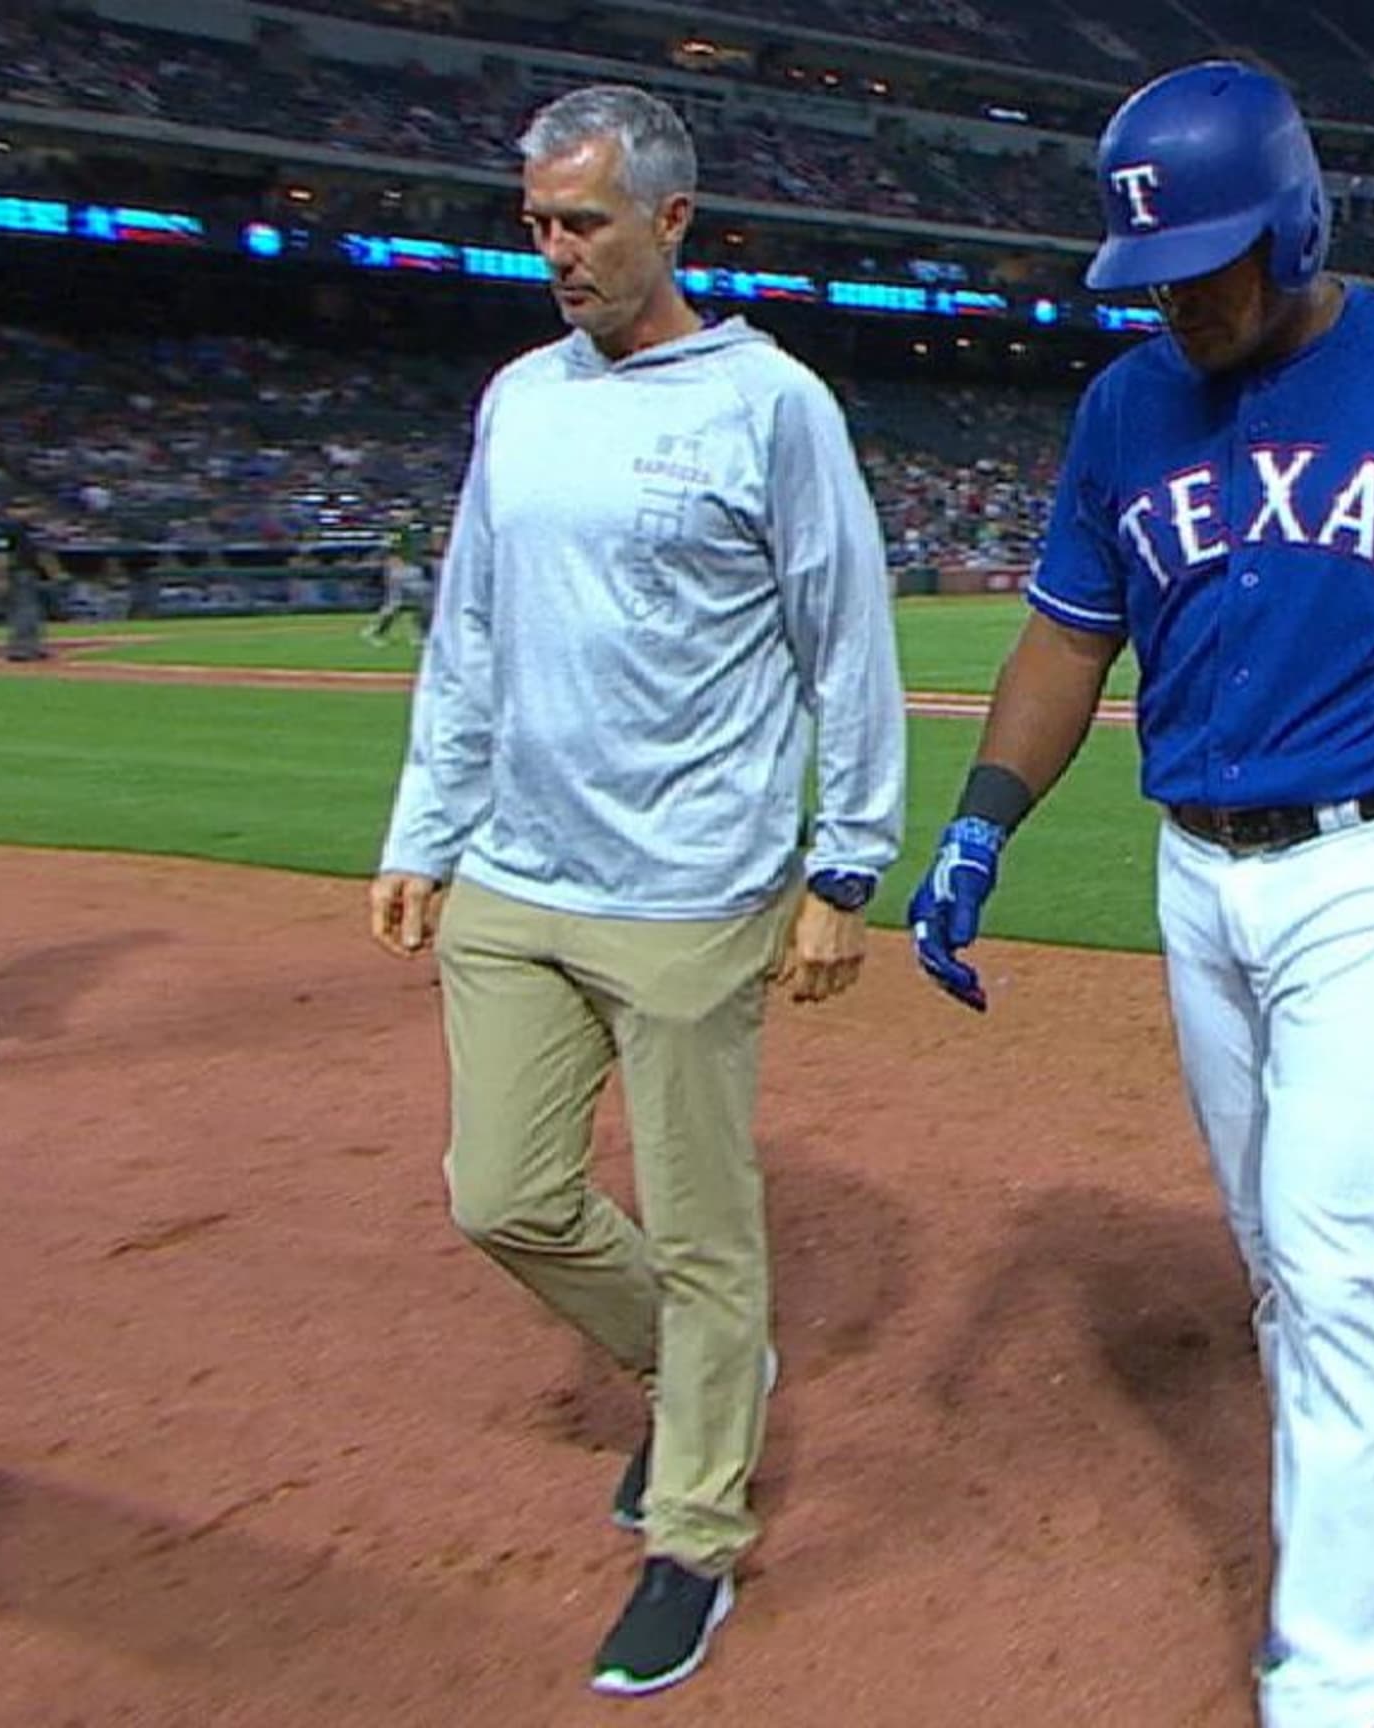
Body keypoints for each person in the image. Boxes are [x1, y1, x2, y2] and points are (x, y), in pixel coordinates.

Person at [902, 61, 1374, 1728]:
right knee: (1275, 1256)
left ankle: (1353, 1669)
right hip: (1196, 875)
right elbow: (1070, 635)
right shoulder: (1123, 411)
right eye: (1145, 269)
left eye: (1204, 259)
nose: (1172, 297)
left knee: (1336, 1253)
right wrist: (978, 825)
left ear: (1292, 223)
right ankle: (1339, 1548)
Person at [367, 84, 906, 1699]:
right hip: (513, 875)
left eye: (581, 222)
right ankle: (700, 1375)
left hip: (687, 884)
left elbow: (842, 639)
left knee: (702, 1213)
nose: (553, 252)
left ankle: (694, 1529)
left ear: (672, 222)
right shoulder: (518, 397)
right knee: (500, 1192)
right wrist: (423, 825)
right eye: (536, 223)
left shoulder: (772, 403)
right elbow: (467, 630)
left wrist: (845, 863)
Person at [0, 496, 61, 661]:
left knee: (34, 612)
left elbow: (44, 553)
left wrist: (54, 573)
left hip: (33, 574)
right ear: (9, 511)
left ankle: (33, 647)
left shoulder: (34, 528)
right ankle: (20, 649)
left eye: (27, 507)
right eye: (18, 508)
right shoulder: (6, 528)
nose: (24, 511)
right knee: (23, 611)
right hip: (17, 573)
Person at [361, 509, 435, 646]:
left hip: (412, 569)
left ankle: (420, 634)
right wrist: (396, 571)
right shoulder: (396, 532)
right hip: (401, 571)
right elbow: (391, 551)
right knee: (400, 605)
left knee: (418, 604)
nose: (407, 517)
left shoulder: (412, 532)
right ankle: (376, 632)